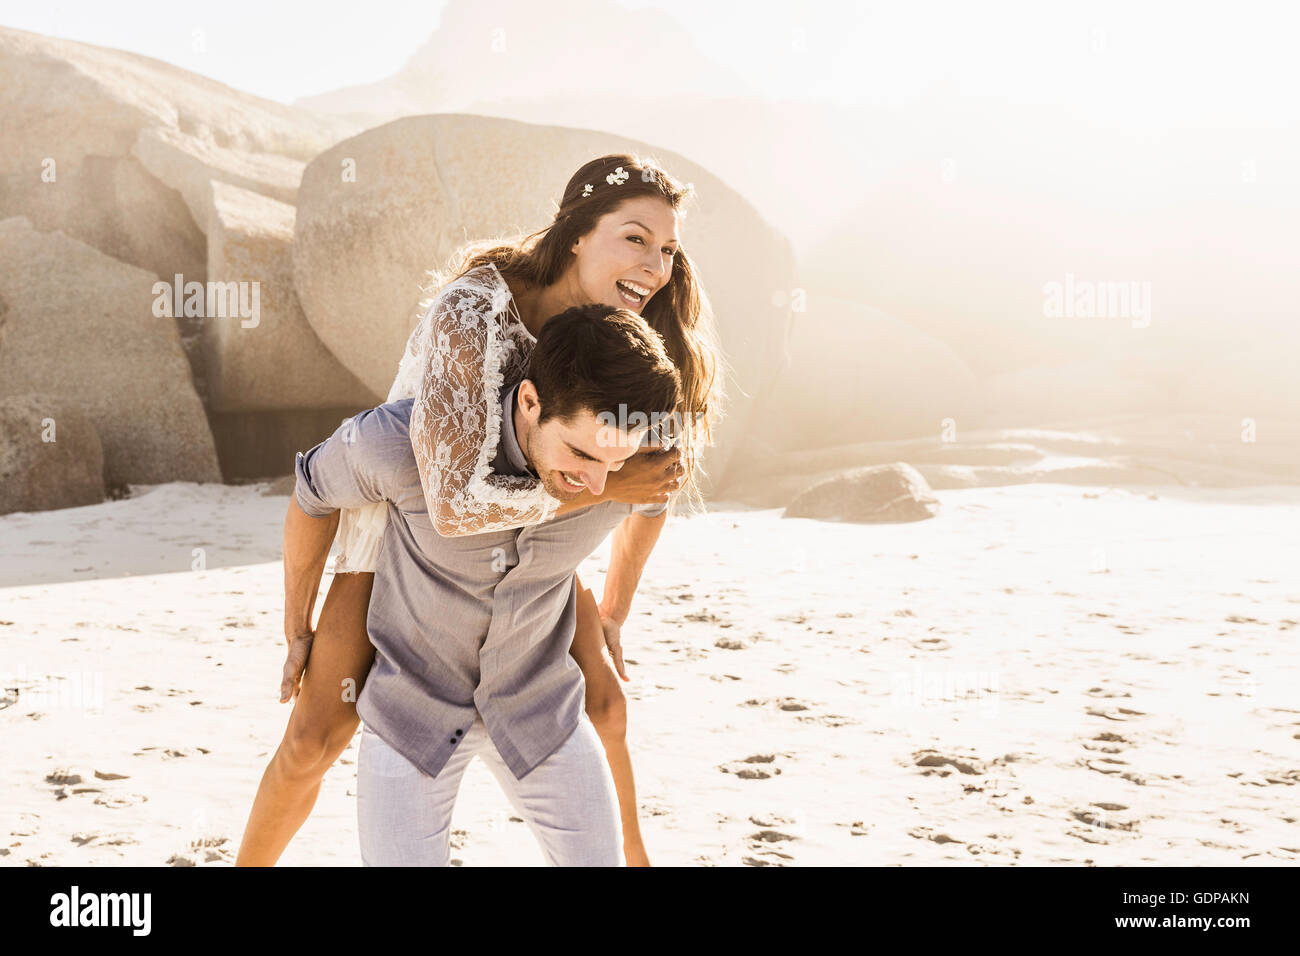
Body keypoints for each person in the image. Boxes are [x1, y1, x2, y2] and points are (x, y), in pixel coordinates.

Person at [236, 153, 722, 867]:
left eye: (669, 250)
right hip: (413, 520)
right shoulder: (476, 308)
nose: (656, 266)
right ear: (578, 233)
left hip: (541, 527)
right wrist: (296, 620)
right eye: (636, 239)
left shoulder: (638, 344)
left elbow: (657, 485)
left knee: (609, 705)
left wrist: (615, 608)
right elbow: (453, 499)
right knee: (316, 737)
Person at [292, 305, 681, 865]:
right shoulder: (404, 443)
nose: (598, 483)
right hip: (412, 715)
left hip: (542, 708)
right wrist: (296, 623)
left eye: (613, 463)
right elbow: (311, 489)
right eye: (582, 454)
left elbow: (652, 503)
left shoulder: (630, 463)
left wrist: (615, 609)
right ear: (529, 402)